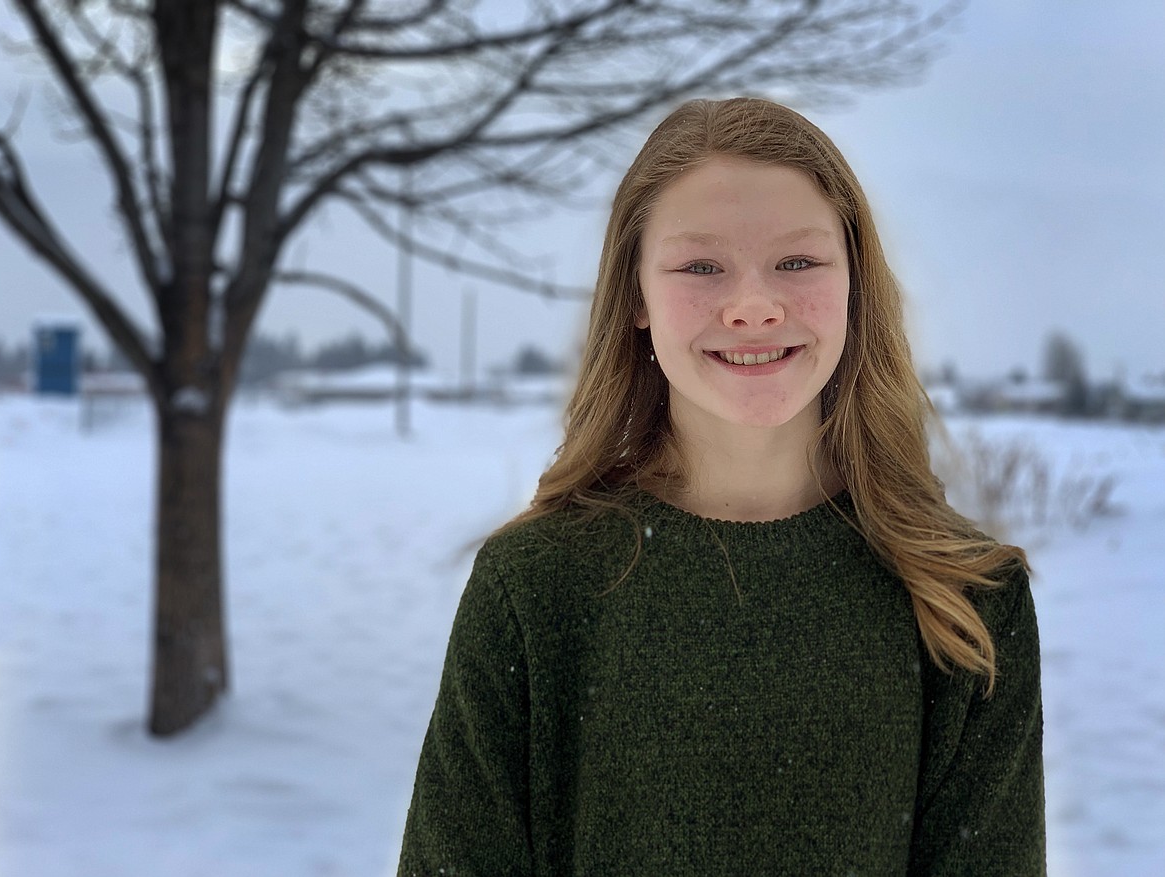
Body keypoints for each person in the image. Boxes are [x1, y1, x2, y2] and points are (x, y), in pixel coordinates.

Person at [397, 97, 1045, 875]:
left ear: (853, 284)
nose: (753, 306)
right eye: (701, 266)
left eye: (798, 262)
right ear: (635, 296)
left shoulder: (964, 599)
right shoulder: (535, 589)